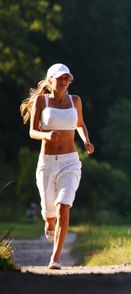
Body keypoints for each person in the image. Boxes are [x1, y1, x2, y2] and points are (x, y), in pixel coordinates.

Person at [20, 63, 94, 270]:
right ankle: (48, 220)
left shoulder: (75, 101)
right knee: (50, 211)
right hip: (47, 163)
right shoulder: (42, 101)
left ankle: (56, 258)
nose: (63, 81)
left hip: (70, 161)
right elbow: (33, 131)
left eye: (66, 78)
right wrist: (47, 134)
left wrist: (86, 140)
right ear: (50, 80)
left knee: (64, 207)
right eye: (59, 78)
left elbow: (80, 124)